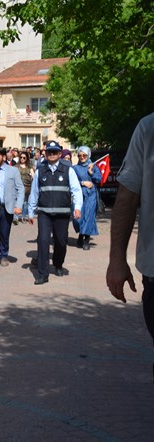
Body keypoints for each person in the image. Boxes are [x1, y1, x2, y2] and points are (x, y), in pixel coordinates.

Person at [105, 113, 154, 383]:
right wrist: (116, 259)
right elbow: (127, 196)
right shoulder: (149, 128)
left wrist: (117, 260)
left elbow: (126, 197)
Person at [28, 140, 83, 284]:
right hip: (44, 213)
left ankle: (58, 264)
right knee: (43, 241)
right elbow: (34, 192)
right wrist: (31, 211)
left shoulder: (68, 170)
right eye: (49, 152)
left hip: (62, 214)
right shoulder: (40, 171)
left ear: (59, 154)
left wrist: (77, 207)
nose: (51, 154)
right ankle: (42, 273)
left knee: (61, 242)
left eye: (55, 152)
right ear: (45, 154)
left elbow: (76, 190)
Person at [0, 148, 24, 267]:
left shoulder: (13, 171)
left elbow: (20, 188)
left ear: (4, 157)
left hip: (6, 207)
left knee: (4, 233)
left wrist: (18, 205)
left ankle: (3, 256)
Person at [73, 146, 102, 250]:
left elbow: (99, 179)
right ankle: (81, 235)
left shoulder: (93, 166)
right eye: (79, 155)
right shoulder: (75, 168)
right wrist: (82, 183)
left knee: (89, 217)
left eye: (84, 155)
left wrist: (91, 172)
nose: (82, 157)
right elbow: (71, 181)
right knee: (78, 218)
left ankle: (86, 240)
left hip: (91, 195)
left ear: (88, 155)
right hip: (79, 195)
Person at [16, 150, 35, 221]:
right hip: (18, 187)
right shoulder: (16, 166)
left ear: (27, 158)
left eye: (24, 158)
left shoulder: (29, 167)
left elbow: (34, 176)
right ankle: (16, 217)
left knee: (25, 202)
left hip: (27, 187)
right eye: (21, 157)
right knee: (17, 201)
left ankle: (23, 217)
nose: (22, 159)